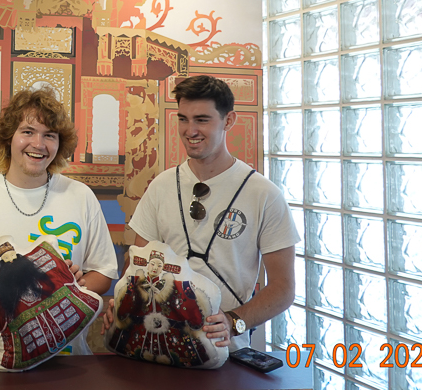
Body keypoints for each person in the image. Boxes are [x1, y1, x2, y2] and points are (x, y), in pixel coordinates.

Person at [0, 87, 118, 356]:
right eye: (28, 131)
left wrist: (73, 286)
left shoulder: (81, 196)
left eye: (49, 135)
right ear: (9, 137)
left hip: (68, 361)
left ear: (59, 144)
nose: (38, 144)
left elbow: (103, 272)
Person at [117, 75, 298, 350]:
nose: (190, 131)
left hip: (227, 352)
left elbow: (283, 289)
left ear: (229, 121)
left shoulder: (264, 194)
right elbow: (137, 268)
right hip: (159, 346)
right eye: (183, 119)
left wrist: (233, 322)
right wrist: (121, 307)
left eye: (202, 120)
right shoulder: (161, 186)